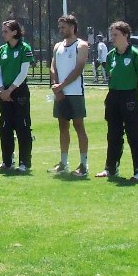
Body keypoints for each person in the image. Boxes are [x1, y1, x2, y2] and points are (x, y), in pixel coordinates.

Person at [95, 21, 138, 181]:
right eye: (112, 34)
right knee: (113, 134)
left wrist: (133, 95)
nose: (113, 38)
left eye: (116, 34)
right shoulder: (111, 55)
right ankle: (111, 168)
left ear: (125, 35)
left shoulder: (135, 54)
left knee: (134, 134)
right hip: (113, 96)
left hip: (129, 96)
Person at [48, 15, 90, 177]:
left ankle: (84, 164)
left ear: (73, 27)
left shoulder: (81, 45)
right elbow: (53, 66)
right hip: (60, 94)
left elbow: (79, 68)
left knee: (79, 126)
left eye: (63, 26)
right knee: (62, 127)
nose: (61, 29)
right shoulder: (58, 46)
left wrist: (62, 86)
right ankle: (63, 163)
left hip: (75, 94)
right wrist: (57, 88)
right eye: (60, 27)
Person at [0, 19, 35, 172]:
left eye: (6, 31)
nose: (3, 34)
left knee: (22, 126)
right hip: (4, 91)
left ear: (14, 32)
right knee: (5, 127)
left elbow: (23, 72)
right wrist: (2, 89)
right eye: (3, 31)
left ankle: (24, 162)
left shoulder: (25, 48)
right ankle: (7, 161)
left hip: (18, 91)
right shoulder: (2, 50)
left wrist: (10, 90)